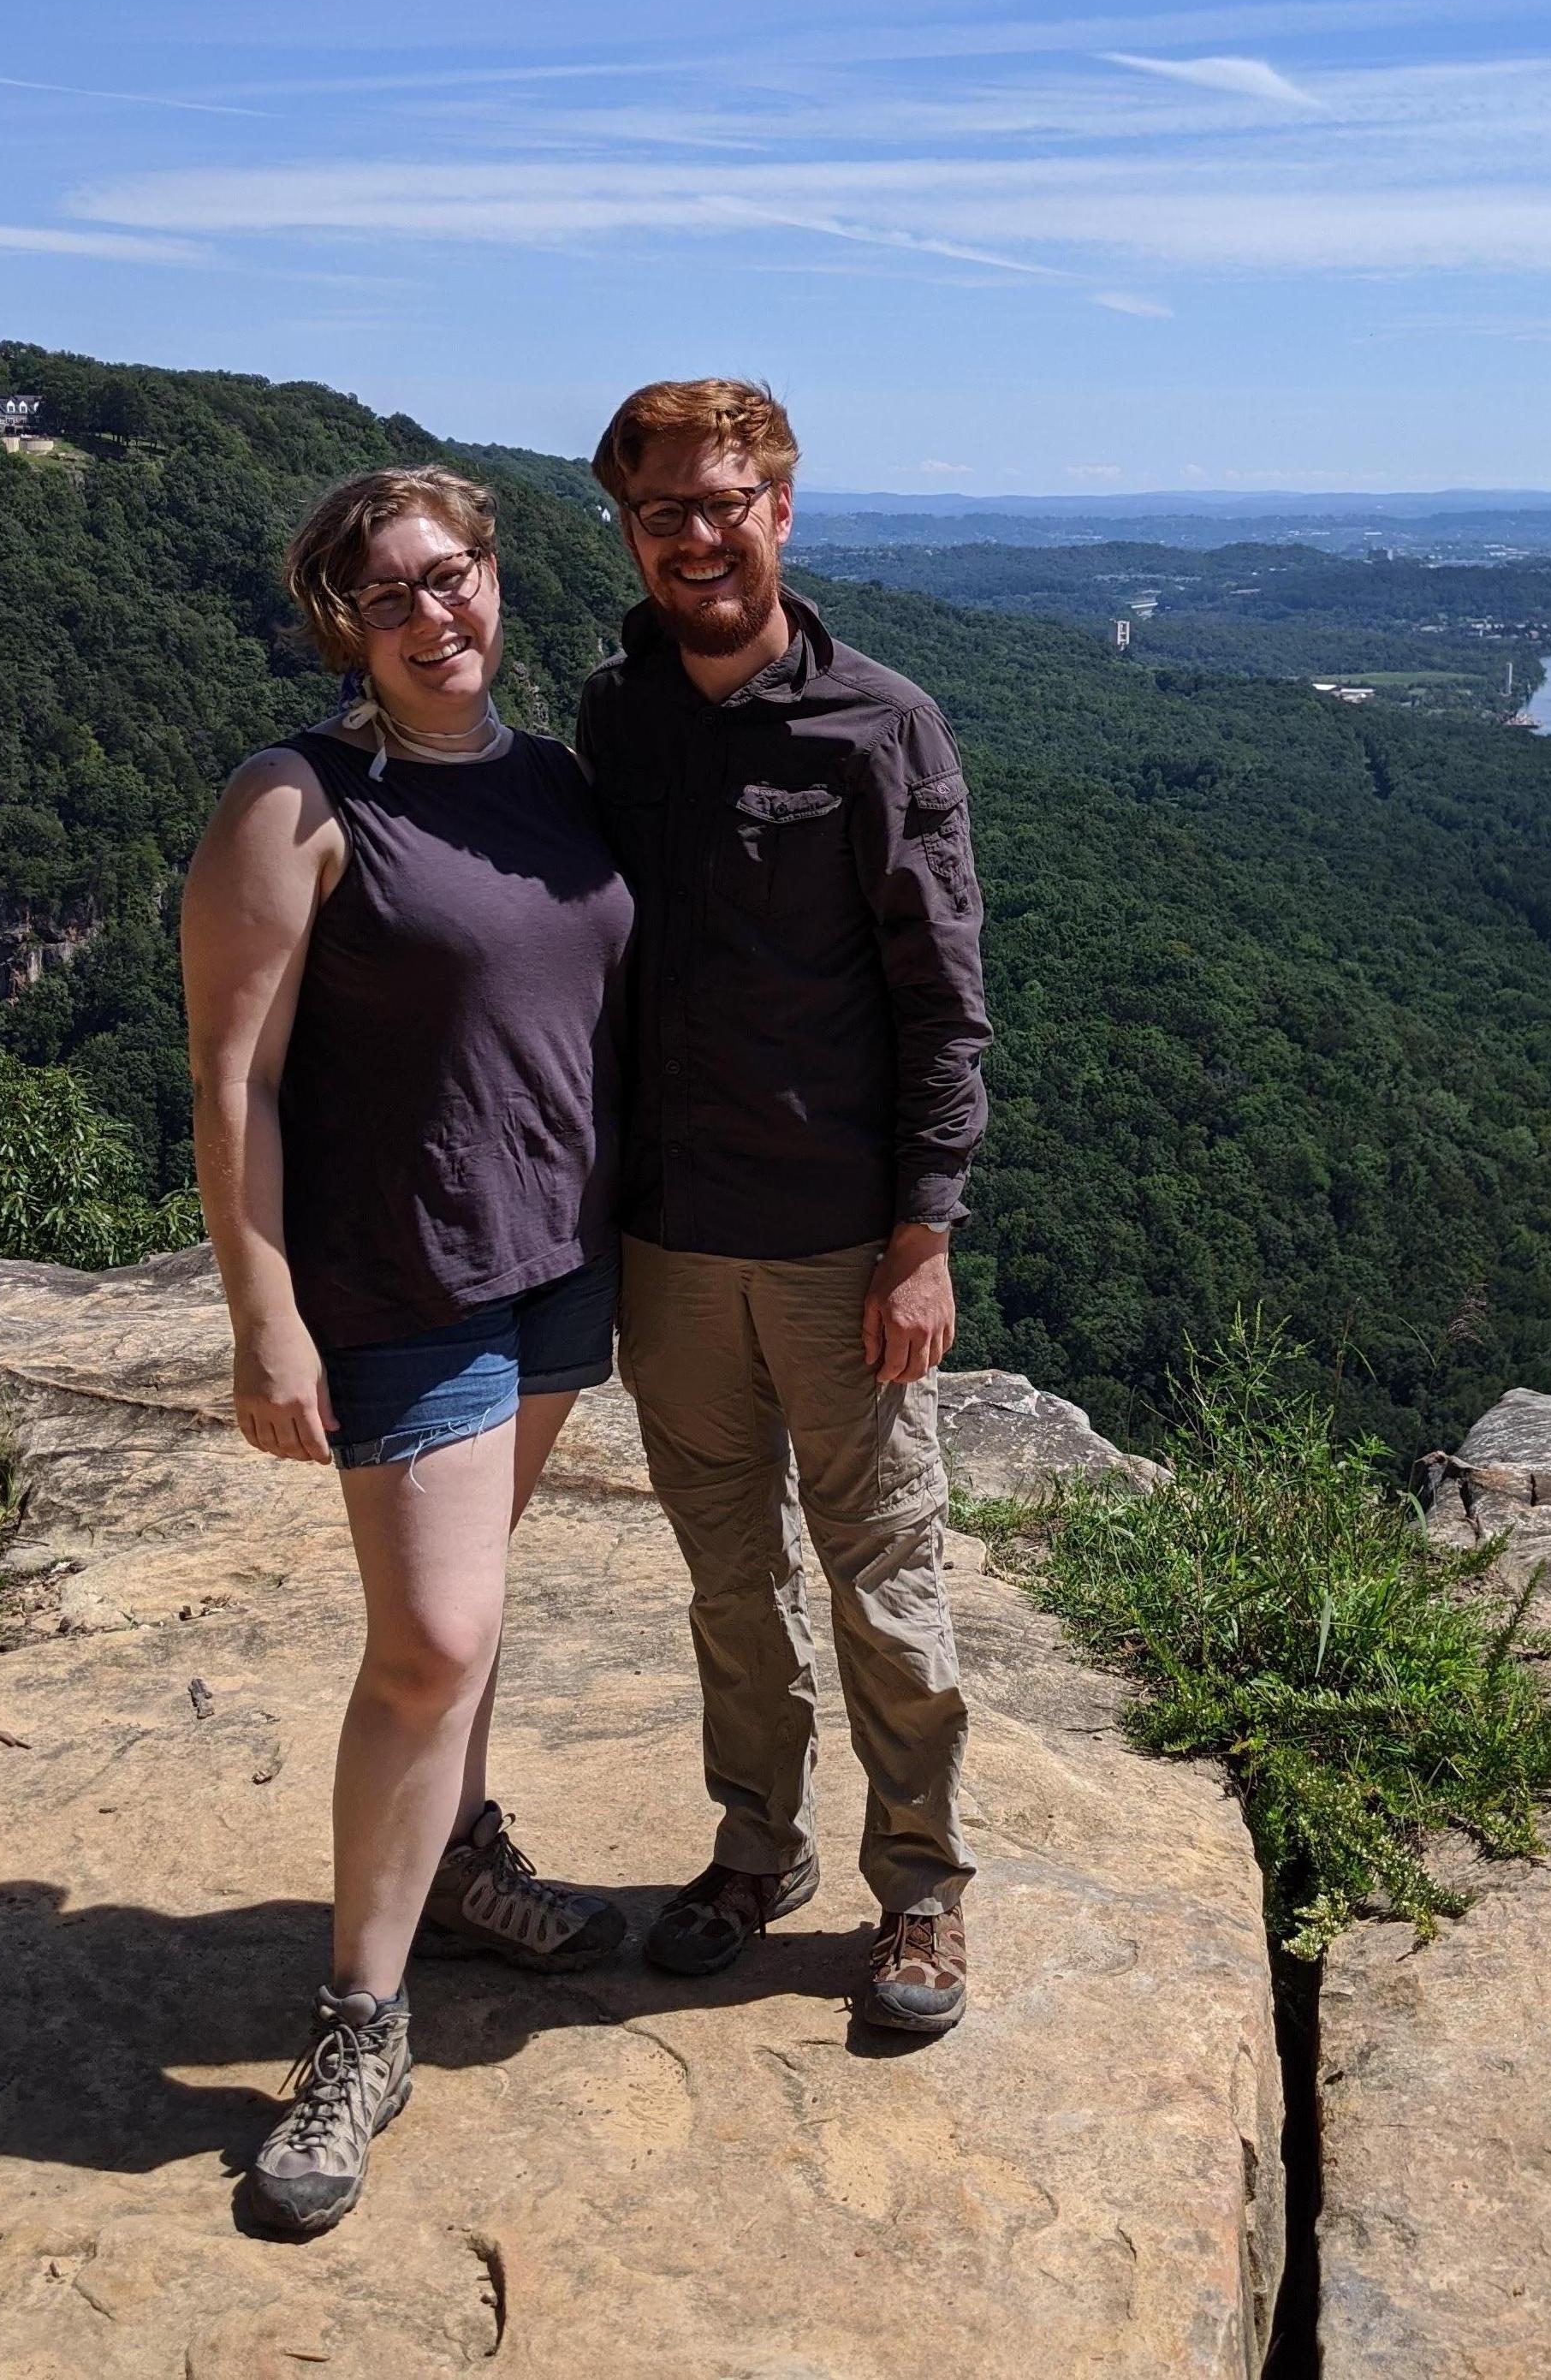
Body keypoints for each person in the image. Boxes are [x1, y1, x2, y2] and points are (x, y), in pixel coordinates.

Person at [181, 466, 636, 2235]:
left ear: (494, 579)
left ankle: (461, 1862)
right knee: (431, 1638)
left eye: (455, 576)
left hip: (554, 1265)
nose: (437, 613)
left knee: (476, 1609)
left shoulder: (551, 785)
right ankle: (360, 2023)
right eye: (394, 598)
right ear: (343, 631)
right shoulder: (298, 801)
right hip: (403, 1274)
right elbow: (234, 1077)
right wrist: (264, 1313)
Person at [575, 379, 990, 2034]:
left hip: (838, 1243)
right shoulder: (618, 722)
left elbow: (943, 1000)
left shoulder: (881, 726)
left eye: (724, 499)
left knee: (881, 1572)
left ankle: (923, 1887)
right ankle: (755, 1850)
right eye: (662, 507)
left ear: (784, 511)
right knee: (725, 1576)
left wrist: (923, 1237)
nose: (696, 533)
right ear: (627, 526)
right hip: (669, 1241)